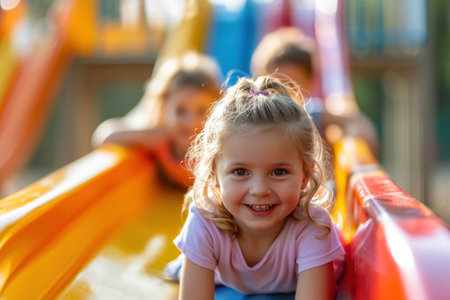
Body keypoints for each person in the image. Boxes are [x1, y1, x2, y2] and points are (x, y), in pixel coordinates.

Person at [171, 76, 345, 299]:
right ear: (214, 173)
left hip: (311, 268)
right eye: (241, 172)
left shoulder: (313, 228)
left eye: (279, 172)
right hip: (226, 274)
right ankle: (184, 263)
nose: (260, 189)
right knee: (181, 268)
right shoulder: (204, 224)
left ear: (305, 175)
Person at [91, 52, 222, 188]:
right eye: (180, 111)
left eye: (201, 111)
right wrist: (143, 135)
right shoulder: (160, 139)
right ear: (163, 109)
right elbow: (103, 135)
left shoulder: (217, 147)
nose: (190, 121)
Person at [250, 27, 379, 157]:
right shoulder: (252, 118)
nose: (284, 93)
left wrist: (353, 146)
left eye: (292, 85)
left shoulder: (311, 116)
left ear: (309, 82)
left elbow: (358, 122)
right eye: (275, 86)